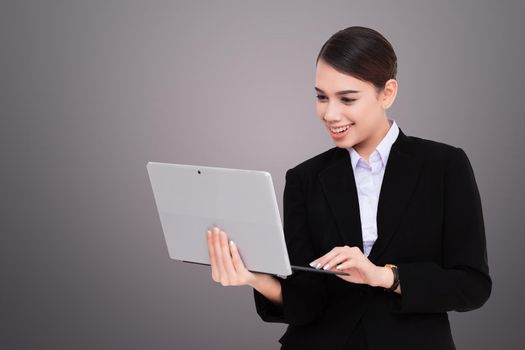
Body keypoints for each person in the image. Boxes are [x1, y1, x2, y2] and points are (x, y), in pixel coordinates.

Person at [206, 26, 491, 350]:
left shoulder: (444, 165)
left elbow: (472, 286)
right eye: (321, 97)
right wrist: (253, 277)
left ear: (387, 93)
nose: (330, 113)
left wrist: (383, 276)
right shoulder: (305, 178)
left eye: (347, 98)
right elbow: (305, 302)